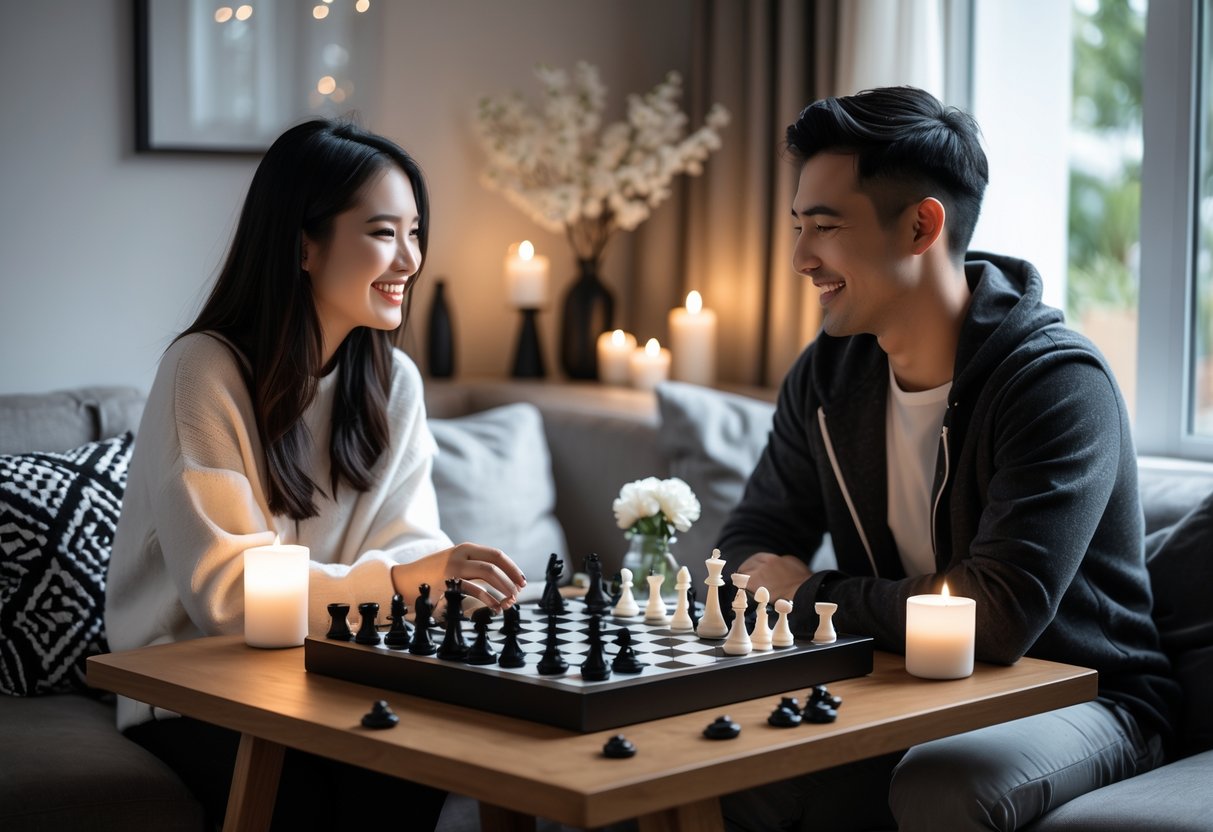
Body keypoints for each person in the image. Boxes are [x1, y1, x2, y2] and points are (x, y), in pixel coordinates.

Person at [716, 87, 1180, 831]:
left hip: (1085, 697)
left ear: (920, 226)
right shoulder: (826, 376)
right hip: (902, 688)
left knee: (942, 782)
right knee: (727, 768)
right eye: (798, 226)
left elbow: (993, 619)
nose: (800, 257)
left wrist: (808, 595)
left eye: (825, 227)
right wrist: (777, 586)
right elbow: (749, 542)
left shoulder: (1056, 384)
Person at [105, 118, 527, 830]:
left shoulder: (393, 382)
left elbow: (410, 544)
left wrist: (417, 579)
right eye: (383, 232)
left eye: (415, 233)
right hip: (194, 688)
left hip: (332, 674)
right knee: (305, 786)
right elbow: (232, 598)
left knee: (426, 758)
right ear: (303, 244)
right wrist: (394, 584)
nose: (410, 260)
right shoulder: (202, 371)